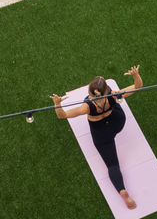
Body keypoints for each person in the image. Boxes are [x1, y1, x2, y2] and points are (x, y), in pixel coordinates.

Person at [50, 66, 143, 210]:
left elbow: (63, 115)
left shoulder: (86, 107)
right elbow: (137, 87)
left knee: (112, 165)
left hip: (102, 134)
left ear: (90, 92)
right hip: (118, 122)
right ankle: (123, 191)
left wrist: (57, 104)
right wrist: (136, 75)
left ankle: (123, 191)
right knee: (117, 108)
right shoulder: (113, 95)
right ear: (106, 90)